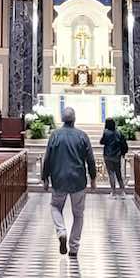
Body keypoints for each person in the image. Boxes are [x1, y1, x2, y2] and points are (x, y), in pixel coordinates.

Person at [40, 104, 96, 256]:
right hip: (78, 180)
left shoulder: (55, 135)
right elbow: (90, 159)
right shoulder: (82, 136)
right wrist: (93, 178)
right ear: (74, 119)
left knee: (55, 207)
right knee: (78, 214)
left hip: (59, 179)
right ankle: (74, 247)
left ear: (62, 119)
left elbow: (48, 158)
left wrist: (45, 178)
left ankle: (61, 232)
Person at [100, 118, 128, 190]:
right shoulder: (119, 132)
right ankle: (122, 190)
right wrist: (123, 153)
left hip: (108, 155)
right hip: (117, 155)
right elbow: (123, 143)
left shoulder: (106, 133)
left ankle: (113, 191)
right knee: (118, 173)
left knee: (111, 173)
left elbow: (102, 142)